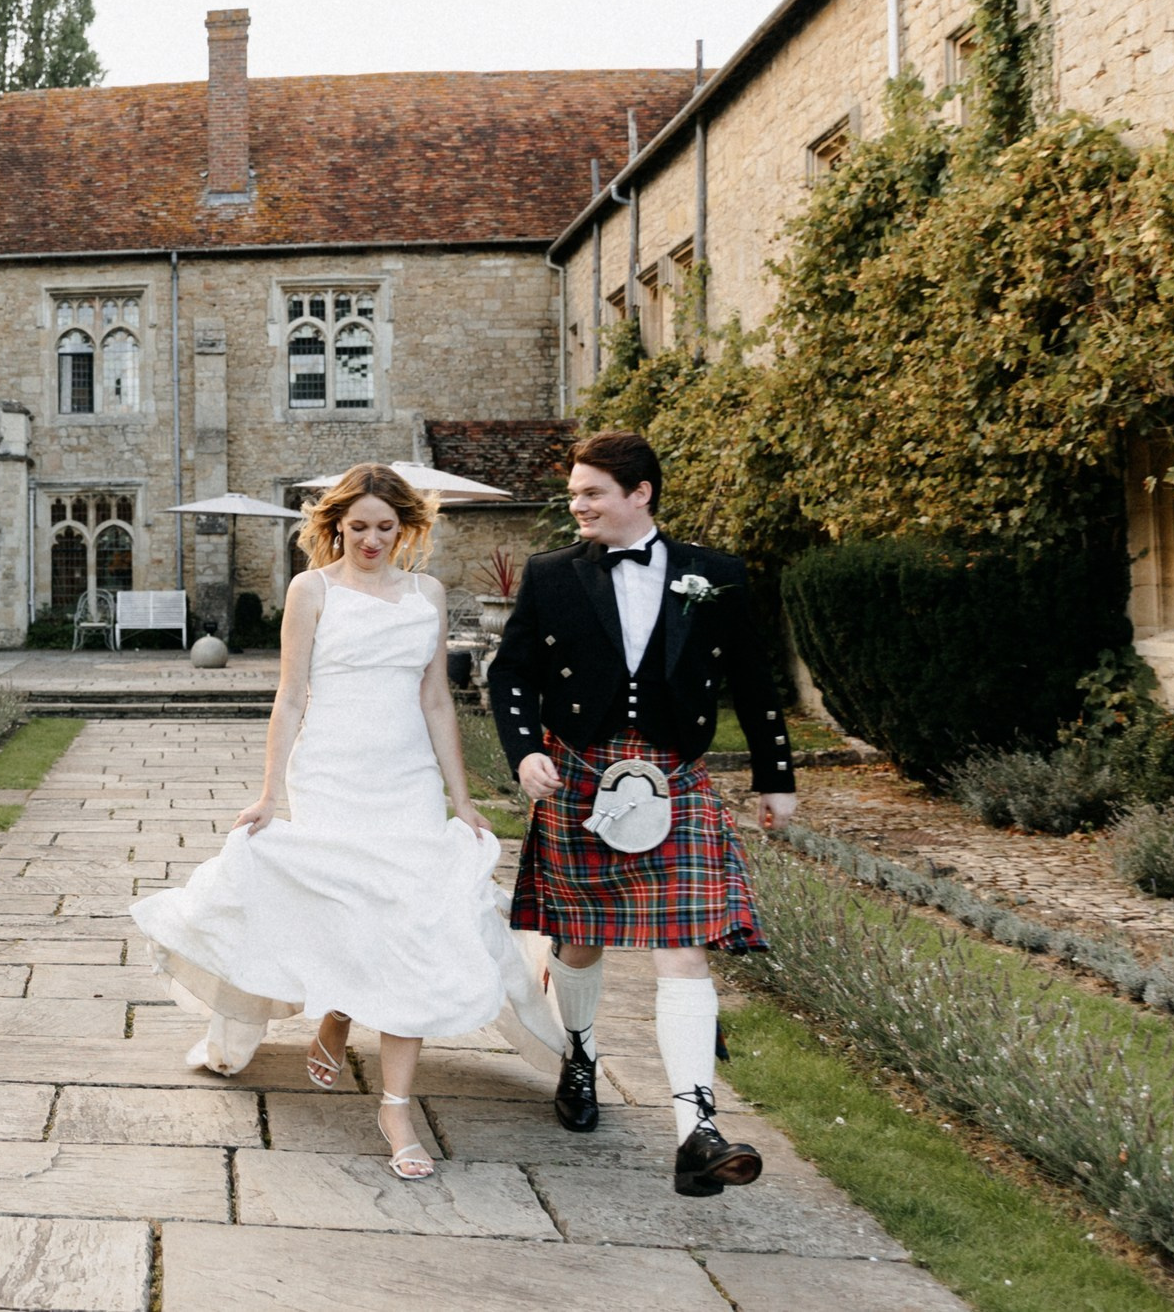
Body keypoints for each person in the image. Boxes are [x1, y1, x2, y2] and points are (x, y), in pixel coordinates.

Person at [131, 464, 562, 1182]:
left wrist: (459, 798)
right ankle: (335, 1012)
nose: (371, 539)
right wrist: (271, 794)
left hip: (407, 780)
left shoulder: (428, 594)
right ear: (336, 525)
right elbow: (291, 696)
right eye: (357, 526)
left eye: (385, 527)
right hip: (331, 771)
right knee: (350, 906)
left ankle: (396, 1104)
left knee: (415, 921)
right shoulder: (312, 590)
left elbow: (435, 703)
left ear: (406, 527)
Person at [491, 429, 797, 1198]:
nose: (578, 504)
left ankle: (697, 1128)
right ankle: (582, 1054)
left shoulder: (713, 573)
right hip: (582, 773)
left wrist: (775, 775)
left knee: (684, 945)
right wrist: (526, 750)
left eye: (591, 492)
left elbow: (756, 681)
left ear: (640, 492)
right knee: (580, 939)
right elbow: (511, 675)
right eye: (574, 494)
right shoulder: (552, 574)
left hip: (672, 774)